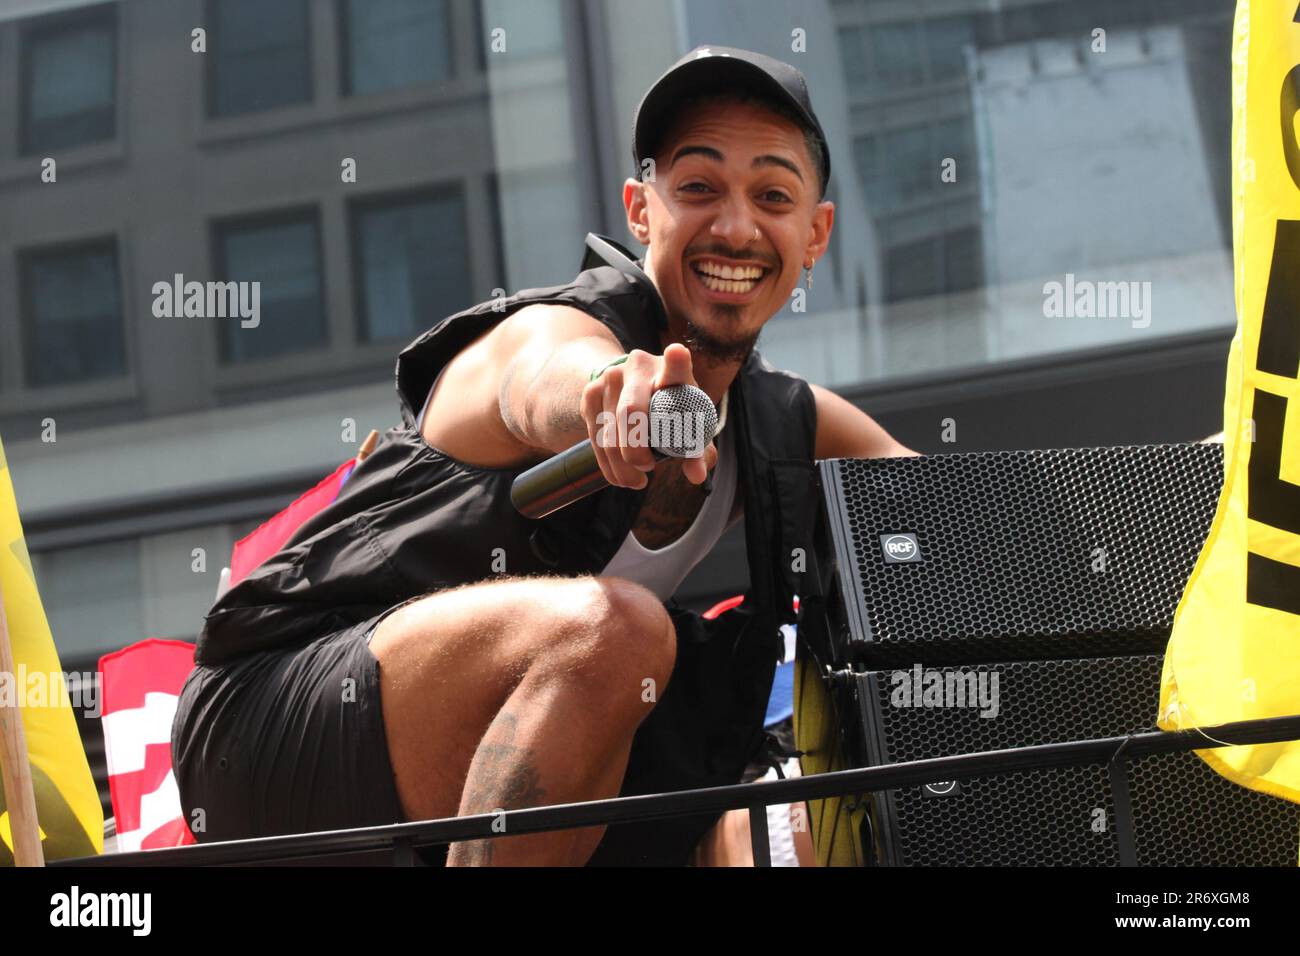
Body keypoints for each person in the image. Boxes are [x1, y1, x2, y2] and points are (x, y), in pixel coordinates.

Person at [171, 45, 917, 866]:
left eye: (771, 195)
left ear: (815, 234)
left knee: (784, 830)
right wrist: (608, 396)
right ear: (641, 212)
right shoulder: (550, 330)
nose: (735, 226)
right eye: (698, 188)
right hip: (273, 726)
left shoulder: (784, 424)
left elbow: (970, 504)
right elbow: (540, 381)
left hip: (508, 776)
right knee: (620, 634)